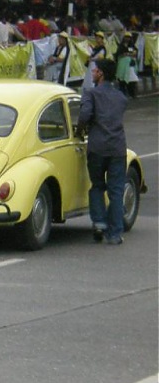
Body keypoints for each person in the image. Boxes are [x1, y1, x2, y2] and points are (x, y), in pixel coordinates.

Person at [77, 58, 128, 245]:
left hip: (97, 147)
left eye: (95, 71)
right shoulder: (121, 97)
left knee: (97, 185)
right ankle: (115, 234)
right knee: (116, 191)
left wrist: (80, 130)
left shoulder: (91, 94)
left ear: (101, 74)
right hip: (117, 149)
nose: (92, 73)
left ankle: (99, 223)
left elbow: (84, 116)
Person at [115, 32, 138, 98]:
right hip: (122, 65)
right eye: (126, 37)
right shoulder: (121, 46)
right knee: (122, 80)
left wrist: (128, 54)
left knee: (132, 80)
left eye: (128, 37)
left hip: (130, 65)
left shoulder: (132, 46)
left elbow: (134, 53)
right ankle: (123, 94)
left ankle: (132, 94)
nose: (127, 39)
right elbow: (120, 54)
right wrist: (127, 54)